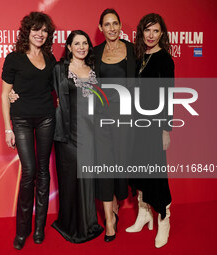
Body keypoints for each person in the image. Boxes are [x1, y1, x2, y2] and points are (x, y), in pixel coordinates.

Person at [1, 11, 56, 250]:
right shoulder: (14, 58)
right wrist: (7, 129)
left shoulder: (51, 59)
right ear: (27, 31)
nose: (40, 34)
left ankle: (39, 228)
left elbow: (59, 88)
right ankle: (22, 230)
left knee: (43, 171)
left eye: (44, 30)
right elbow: (5, 94)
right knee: (30, 171)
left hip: (46, 118)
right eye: (36, 29)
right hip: (21, 119)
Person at [126, 13, 173, 248]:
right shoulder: (138, 56)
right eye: (147, 30)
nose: (151, 35)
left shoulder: (165, 59)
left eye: (155, 31)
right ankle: (144, 214)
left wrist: (166, 129)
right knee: (138, 169)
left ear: (161, 33)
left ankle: (164, 219)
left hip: (155, 126)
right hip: (136, 124)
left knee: (156, 172)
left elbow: (168, 96)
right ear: (141, 33)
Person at [51, 30, 104, 243]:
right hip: (67, 133)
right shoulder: (59, 69)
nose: (81, 47)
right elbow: (40, 87)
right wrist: (13, 93)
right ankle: (70, 225)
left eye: (85, 43)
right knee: (70, 179)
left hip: (90, 132)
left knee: (87, 179)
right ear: (69, 47)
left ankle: (89, 223)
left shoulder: (93, 69)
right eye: (77, 43)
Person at [93, 8, 136, 242]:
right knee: (104, 166)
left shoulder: (132, 50)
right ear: (100, 28)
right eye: (107, 24)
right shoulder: (94, 52)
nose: (111, 28)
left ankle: (118, 205)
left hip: (126, 120)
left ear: (120, 26)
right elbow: (71, 71)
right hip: (101, 120)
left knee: (121, 165)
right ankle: (109, 220)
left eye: (115, 23)